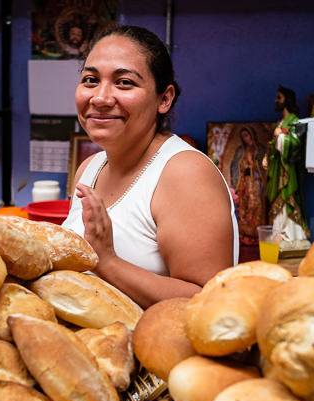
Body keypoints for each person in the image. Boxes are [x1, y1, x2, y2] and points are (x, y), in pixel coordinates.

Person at [62, 25, 239, 308]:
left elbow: (210, 300)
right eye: (91, 80)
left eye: (124, 83)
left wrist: (107, 262)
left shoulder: (184, 172)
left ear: (164, 99)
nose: (100, 98)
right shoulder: (89, 168)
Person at [265, 85, 310, 244]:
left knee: (287, 200)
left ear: (287, 100)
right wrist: (266, 157)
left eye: (279, 98)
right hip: (277, 170)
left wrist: (280, 137)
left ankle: (290, 234)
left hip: (289, 172)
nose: (275, 101)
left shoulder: (296, 122)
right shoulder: (281, 122)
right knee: (277, 202)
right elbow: (272, 145)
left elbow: (297, 145)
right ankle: (279, 233)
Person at [229, 126, 268, 247]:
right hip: (245, 182)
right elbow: (235, 165)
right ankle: (245, 233)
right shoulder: (241, 150)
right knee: (244, 207)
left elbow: (264, 166)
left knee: (255, 206)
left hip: (256, 182)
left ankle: (256, 234)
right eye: (243, 137)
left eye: (247, 135)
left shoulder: (259, 150)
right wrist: (243, 167)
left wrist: (253, 164)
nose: (246, 139)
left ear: (252, 135)